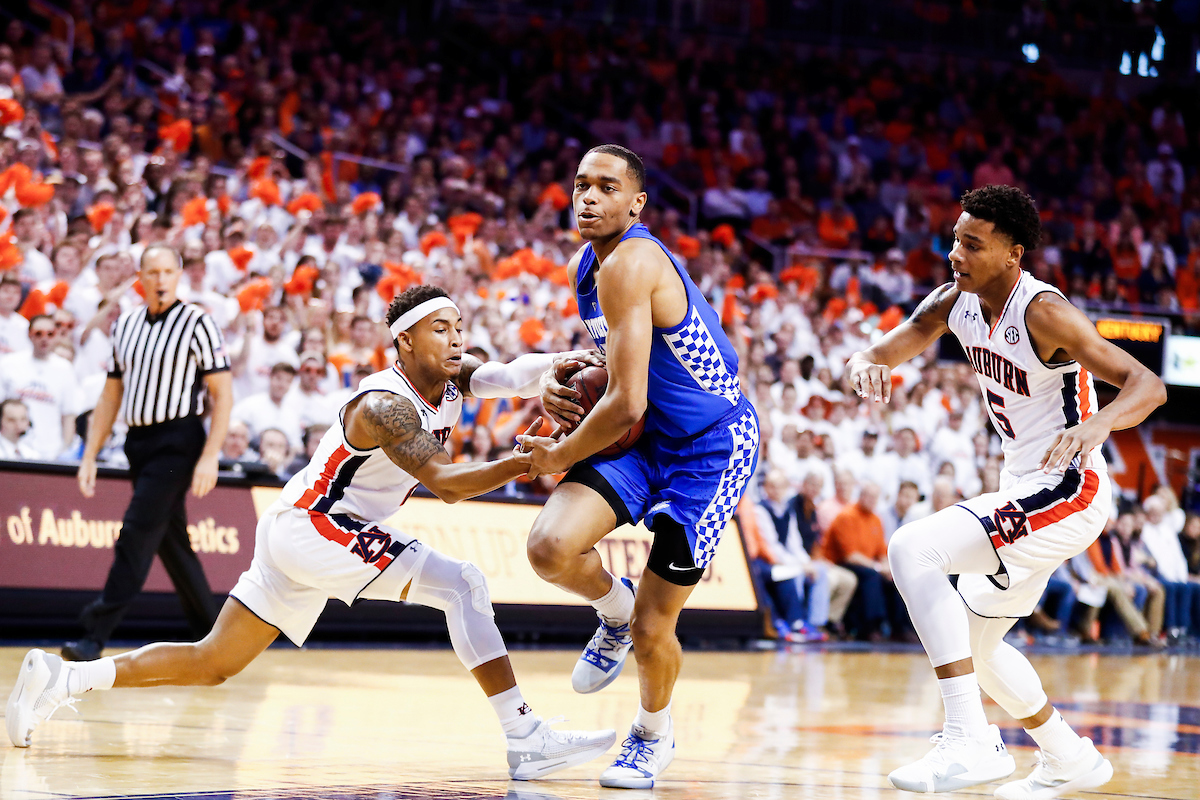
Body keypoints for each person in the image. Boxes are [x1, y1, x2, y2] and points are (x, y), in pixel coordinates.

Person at [8, 285, 616, 781]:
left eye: (460, 325)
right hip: (317, 526)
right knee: (463, 584)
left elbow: (510, 374)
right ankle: (524, 736)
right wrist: (530, 461)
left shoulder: (453, 378)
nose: (457, 337)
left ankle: (62, 678)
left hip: (294, 526)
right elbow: (449, 484)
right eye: (442, 328)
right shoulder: (384, 405)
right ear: (404, 341)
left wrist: (565, 366)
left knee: (214, 661)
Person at [848, 185, 1166, 797]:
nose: (956, 254)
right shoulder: (955, 301)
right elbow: (896, 343)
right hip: (1025, 486)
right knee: (974, 644)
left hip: (1070, 487)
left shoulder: (1043, 311)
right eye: (955, 240)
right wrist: (868, 359)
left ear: (1013, 254)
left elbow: (1146, 385)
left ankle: (970, 738)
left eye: (973, 244)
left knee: (914, 548)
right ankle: (1070, 757)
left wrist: (1096, 425)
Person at [517, 145, 760, 789]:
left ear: (637, 202)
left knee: (659, 627)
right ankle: (612, 610)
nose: (588, 198)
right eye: (579, 185)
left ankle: (652, 733)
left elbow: (626, 397)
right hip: (648, 438)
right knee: (548, 548)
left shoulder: (633, 261)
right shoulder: (585, 265)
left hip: (712, 447)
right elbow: (622, 362)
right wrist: (557, 378)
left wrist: (557, 455)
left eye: (605, 187)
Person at [63, 246, 234, 662]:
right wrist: (90, 454)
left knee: (136, 532)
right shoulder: (126, 325)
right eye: (152, 272)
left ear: (179, 276)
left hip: (178, 440)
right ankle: (214, 637)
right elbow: (110, 395)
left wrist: (211, 454)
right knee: (172, 542)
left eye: (167, 272)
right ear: (140, 276)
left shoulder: (198, 322)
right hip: (138, 442)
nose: (160, 279)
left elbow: (223, 394)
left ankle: (93, 633)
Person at [0, 314, 83, 460]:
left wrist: (63, 450)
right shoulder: (9, 363)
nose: (44, 338)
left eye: (50, 334)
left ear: (56, 336)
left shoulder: (65, 369)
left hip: (50, 452)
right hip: (11, 451)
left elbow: (69, 415)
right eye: (38, 334)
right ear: (29, 335)